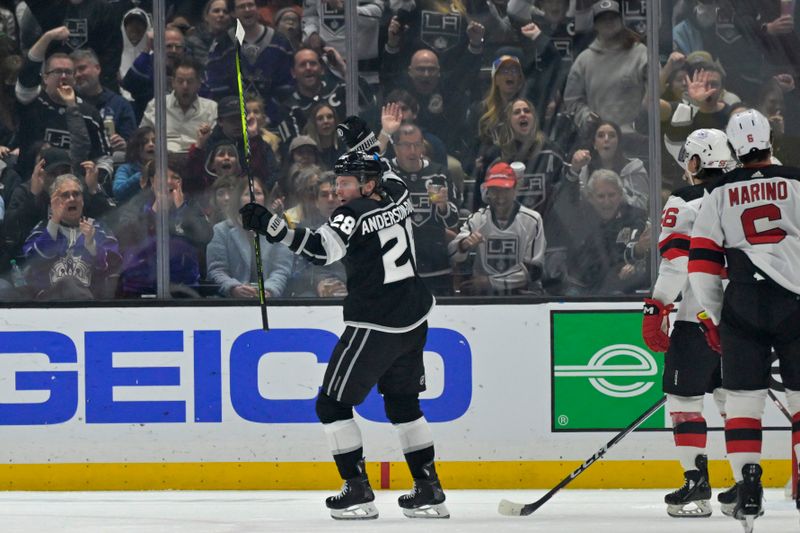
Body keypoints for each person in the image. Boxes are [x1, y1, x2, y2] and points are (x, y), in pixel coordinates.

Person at [239, 148, 448, 520]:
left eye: (346, 183)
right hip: (414, 319)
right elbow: (388, 169)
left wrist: (272, 226)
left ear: (368, 185)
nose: (338, 190)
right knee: (403, 406)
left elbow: (321, 250)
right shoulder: (397, 194)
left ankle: (357, 491)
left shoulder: (352, 214)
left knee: (331, 405)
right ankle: (430, 490)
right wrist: (367, 142)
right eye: (336, 182)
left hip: (375, 324)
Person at [688, 109, 800, 527]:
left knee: (742, 405)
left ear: (734, 148)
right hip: (796, 304)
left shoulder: (718, 192)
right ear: (771, 139)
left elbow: (700, 262)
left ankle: (748, 481)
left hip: (743, 305)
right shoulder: (797, 181)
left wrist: (716, 317)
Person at [641, 129, 733, 518]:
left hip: (697, 318)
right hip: (743, 318)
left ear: (695, 162)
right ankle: (748, 482)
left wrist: (657, 306)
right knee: (737, 400)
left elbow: (678, 260)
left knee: (683, 401)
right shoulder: (744, 194)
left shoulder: (687, 197)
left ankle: (696, 487)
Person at [450, 162, 546, 295]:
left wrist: (490, 282)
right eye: (495, 190)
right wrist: (464, 244)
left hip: (522, 298)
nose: (500, 196)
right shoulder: (477, 219)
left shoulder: (532, 220)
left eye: (505, 190)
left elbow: (533, 272)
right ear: (487, 191)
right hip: (483, 299)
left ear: (515, 189)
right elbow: (452, 254)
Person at [22, 173, 120, 300]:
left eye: (76, 194)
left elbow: (114, 265)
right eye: (65, 195)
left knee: (70, 283)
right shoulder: (42, 229)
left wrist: (92, 246)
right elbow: (33, 262)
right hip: (49, 304)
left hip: (92, 303)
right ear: (54, 201)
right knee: (67, 282)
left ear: (83, 200)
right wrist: (54, 222)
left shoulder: (98, 229)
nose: (72, 198)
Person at [390, 123, 459, 295]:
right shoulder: (385, 173)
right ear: (396, 148)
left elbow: (454, 220)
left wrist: (443, 206)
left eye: (417, 144)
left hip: (436, 268)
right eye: (406, 145)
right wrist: (384, 132)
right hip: (396, 269)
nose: (412, 151)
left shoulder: (440, 173)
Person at [206, 176, 292, 298]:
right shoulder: (221, 231)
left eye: (258, 193)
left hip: (271, 302)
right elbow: (216, 270)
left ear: (265, 198)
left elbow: (282, 269)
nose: (253, 198)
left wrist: (269, 290)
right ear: (239, 199)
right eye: (247, 194)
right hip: (230, 303)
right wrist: (233, 288)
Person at [140, 57, 217, 154]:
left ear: (199, 83)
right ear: (173, 82)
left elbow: (216, 143)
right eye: (180, 81)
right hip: (163, 159)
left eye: (190, 82)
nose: (185, 86)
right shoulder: (156, 105)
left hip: (197, 158)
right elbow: (141, 138)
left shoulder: (211, 108)